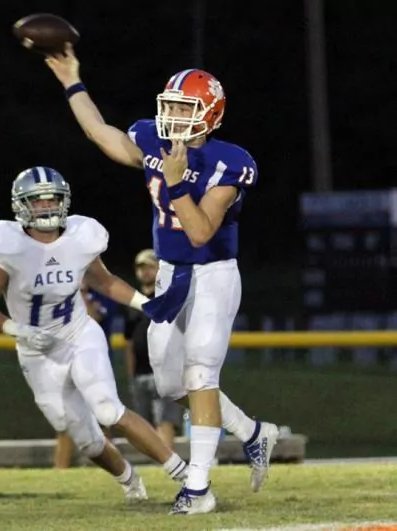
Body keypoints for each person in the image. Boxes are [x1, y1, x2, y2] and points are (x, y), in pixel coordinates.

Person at [44, 48, 279, 514]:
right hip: (171, 274)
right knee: (171, 385)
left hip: (212, 274)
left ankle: (198, 489)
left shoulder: (228, 162)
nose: (172, 116)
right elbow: (100, 131)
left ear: (210, 114)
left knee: (200, 373)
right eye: (169, 106)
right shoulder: (152, 139)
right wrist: (72, 81)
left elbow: (200, 232)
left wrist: (175, 183)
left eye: (183, 108)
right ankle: (253, 432)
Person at [0, 166, 190, 503]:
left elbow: (105, 282)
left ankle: (186, 475)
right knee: (84, 438)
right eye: (38, 201)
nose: (47, 206)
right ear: (21, 205)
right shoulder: (7, 245)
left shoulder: (80, 236)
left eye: (52, 199)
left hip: (78, 334)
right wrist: (19, 331)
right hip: (36, 351)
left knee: (108, 410)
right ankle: (129, 480)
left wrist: (146, 304)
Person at [52, 280, 118, 469]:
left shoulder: (103, 296)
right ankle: (60, 469)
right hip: (69, 367)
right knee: (67, 424)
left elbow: (95, 316)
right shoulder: (61, 297)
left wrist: (82, 297)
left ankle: (114, 469)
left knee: (104, 420)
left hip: (97, 368)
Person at [124, 249, 183, 449]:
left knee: (165, 420)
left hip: (164, 371)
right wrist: (131, 376)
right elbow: (129, 343)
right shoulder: (133, 302)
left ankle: (169, 463)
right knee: (145, 425)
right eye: (141, 268)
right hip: (141, 373)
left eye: (149, 267)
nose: (145, 272)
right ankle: (159, 462)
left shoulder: (168, 297)